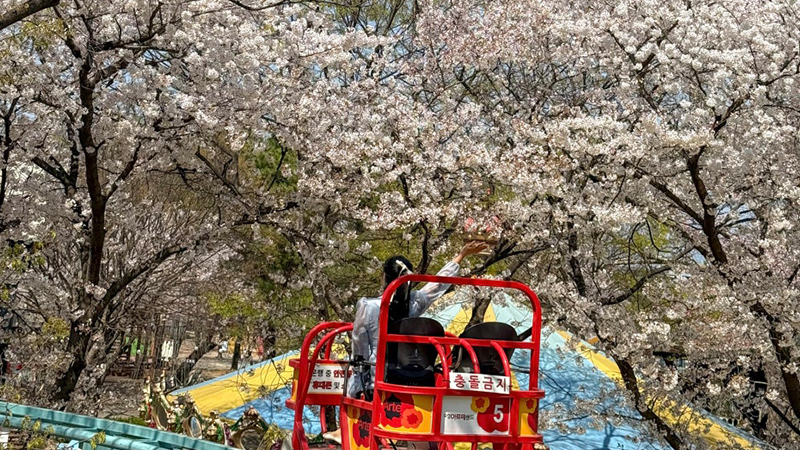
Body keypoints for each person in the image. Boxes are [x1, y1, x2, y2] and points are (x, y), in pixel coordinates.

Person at [323, 241, 488, 443]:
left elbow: (359, 343)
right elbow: (437, 285)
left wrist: (358, 365)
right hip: (412, 372)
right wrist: (460, 255)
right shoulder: (415, 303)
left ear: (384, 276)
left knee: (356, 372)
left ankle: (345, 429)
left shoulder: (369, 306)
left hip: (378, 376)